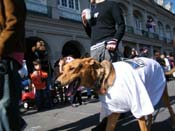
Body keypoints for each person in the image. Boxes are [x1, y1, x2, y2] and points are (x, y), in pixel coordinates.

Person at [0, 0, 26, 130]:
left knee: (5, 107)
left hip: (6, 55)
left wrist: (1, 47)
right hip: (5, 54)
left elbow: (14, 21)